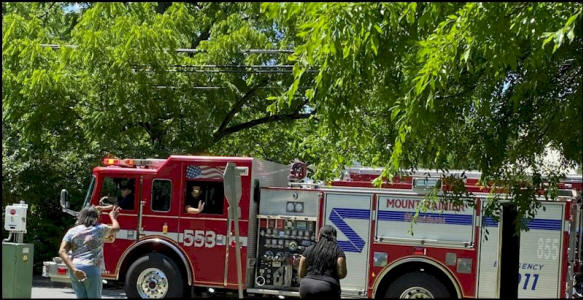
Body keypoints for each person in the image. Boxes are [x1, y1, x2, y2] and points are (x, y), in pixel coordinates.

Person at [59, 206, 121, 299]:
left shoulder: (72, 231)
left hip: (75, 268)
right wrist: (113, 217)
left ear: (81, 217)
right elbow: (116, 228)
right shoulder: (100, 229)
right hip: (91, 268)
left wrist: (74, 270)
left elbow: (62, 251)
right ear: (96, 217)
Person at [297, 225, 347, 299]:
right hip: (327, 288)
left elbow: (301, 273)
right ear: (334, 238)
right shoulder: (338, 252)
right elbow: (342, 274)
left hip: (306, 287)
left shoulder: (309, 249)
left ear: (319, 235)